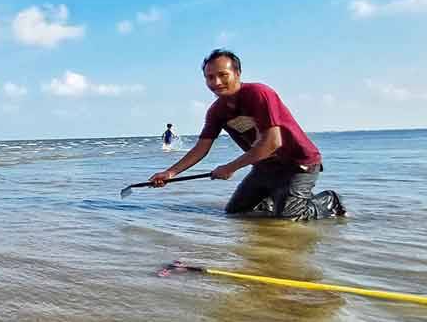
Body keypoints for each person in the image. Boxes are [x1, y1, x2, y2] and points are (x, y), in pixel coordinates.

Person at [148, 49, 345, 220]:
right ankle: (273, 199)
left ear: (237, 73)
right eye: (210, 77)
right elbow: (201, 148)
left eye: (223, 75)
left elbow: (272, 143)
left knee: (289, 218)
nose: (216, 82)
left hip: (298, 165)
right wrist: (170, 173)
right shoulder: (216, 111)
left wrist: (230, 167)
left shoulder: (258, 93)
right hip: (264, 167)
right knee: (236, 213)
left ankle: (329, 201)